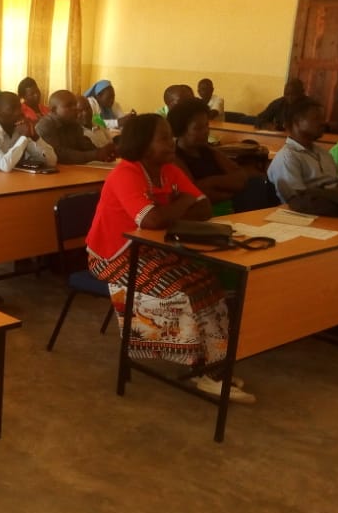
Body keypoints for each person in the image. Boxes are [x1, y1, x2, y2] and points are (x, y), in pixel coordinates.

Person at [85, 113, 254, 403]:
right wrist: (182, 202)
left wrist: (175, 207)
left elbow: (204, 210)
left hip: (153, 249)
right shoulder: (126, 173)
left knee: (208, 284)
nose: (171, 142)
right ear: (142, 143)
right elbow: (151, 220)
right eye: (162, 138)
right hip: (113, 256)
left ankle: (215, 366)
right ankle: (196, 367)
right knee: (182, 293)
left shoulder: (168, 170)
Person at [167, 98, 261, 214]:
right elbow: (195, 193)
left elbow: (240, 178)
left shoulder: (209, 151)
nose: (206, 131)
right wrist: (230, 190)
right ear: (180, 131)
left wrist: (211, 182)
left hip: (229, 210)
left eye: (206, 125)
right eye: (198, 128)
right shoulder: (175, 158)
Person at [267, 98, 338, 203]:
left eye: (323, 118)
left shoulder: (323, 153)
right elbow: (298, 201)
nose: (323, 123)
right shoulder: (287, 157)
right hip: (306, 214)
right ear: (296, 123)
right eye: (316, 118)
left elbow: (337, 185)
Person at [0, 92, 56, 173]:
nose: (18, 112)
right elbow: (5, 165)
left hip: (5, 183)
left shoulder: (18, 129)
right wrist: (24, 137)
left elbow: (51, 162)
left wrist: (36, 137)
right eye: (11, 109)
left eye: (19, 108)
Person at [36, 90, 110, 164]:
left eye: (75, 104)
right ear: (54, 110)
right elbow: (59, 155)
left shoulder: (73, 123)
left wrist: (104, 151)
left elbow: (84, 145)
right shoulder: (45, 125)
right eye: (69, 105)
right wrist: (95, 155)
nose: (75, 108)